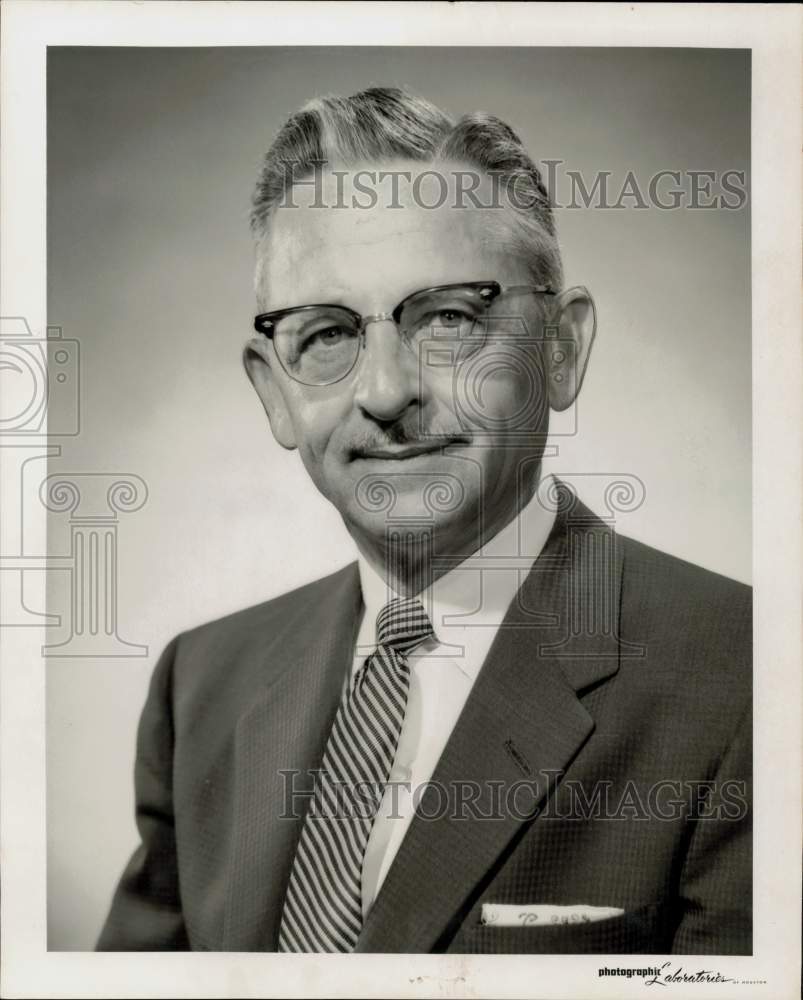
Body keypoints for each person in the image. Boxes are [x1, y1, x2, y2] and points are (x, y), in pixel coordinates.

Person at [97, 87, 751, 954]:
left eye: (447, 318)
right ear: (273, 390)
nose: (384, 392)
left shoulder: (753, 682)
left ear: (559, 348)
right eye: (326, 334)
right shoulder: (203, 684)